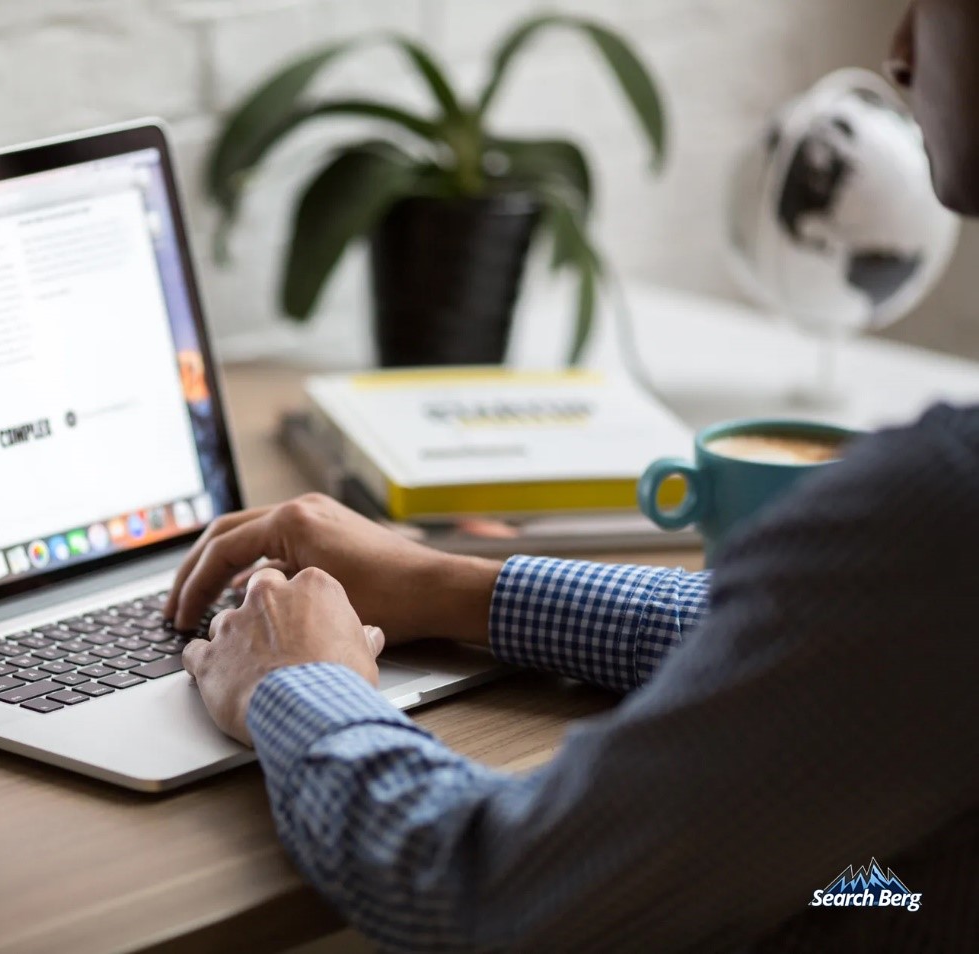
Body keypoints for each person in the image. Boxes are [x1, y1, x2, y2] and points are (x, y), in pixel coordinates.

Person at [168, 2, 979, 950]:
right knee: (867, 884)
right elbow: (848, 646)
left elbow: (491, 894)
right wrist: (456, 586)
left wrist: (297, 683)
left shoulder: (939, 508)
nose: (896, 53)